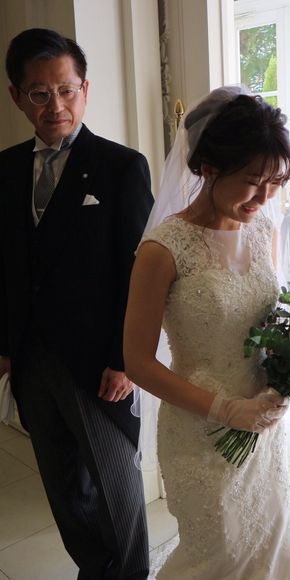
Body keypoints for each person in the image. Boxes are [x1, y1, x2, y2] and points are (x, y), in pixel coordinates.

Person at [124, 85, 290, 579]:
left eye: (275, 182)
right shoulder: (163, 249)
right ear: (208, 168)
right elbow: (137, 361)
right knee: (217, 551)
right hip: (198, 429)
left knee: (270, 535)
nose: (264, 197)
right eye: (252, 181)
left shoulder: (263, 230)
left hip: (262, 421)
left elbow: (266, 321)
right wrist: (224, 409)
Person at [0, 28, 153, 579]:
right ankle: (96, 570)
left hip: (97, 364)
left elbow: (140, 273)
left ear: (85, 89)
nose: (56, 106)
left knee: (116, 491)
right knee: (63, 490)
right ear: (17, 96)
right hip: (31, 360)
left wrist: (125, 358)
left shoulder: (121, 166)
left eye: (66, 90)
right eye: (39, 93)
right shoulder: (4, 169)